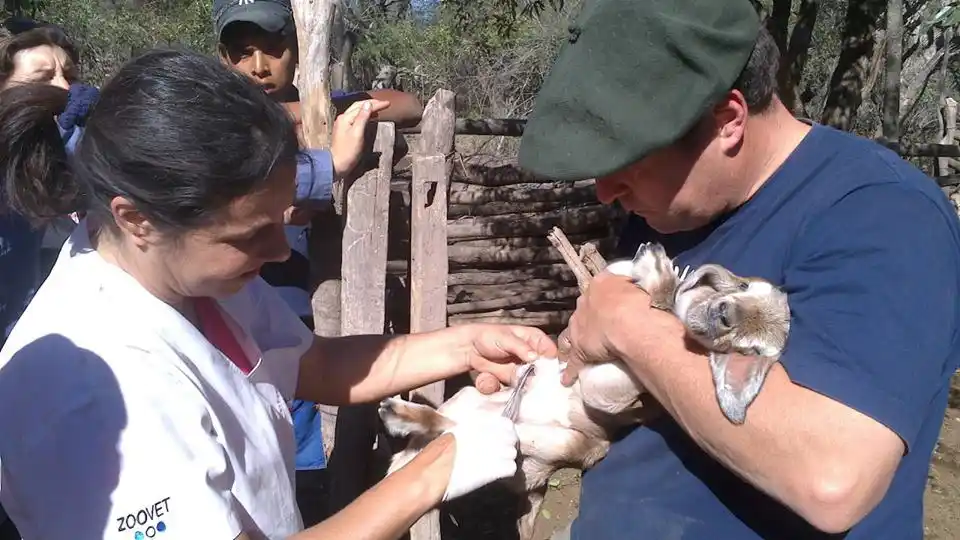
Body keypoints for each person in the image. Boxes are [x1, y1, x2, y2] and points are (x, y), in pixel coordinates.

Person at [0, 48, 554, 540]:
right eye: (249, 235)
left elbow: (316, 367)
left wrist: (465, 345)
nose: (280, 250)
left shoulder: (185, 277)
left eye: (278, 220)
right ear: (137, 218)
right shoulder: (88, 391)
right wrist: (434, 471)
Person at [516, 1, 960, 539]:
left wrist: (628, 327)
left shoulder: (882, 213)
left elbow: (833, 478)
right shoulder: (672, 207)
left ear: (728, 122)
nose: (604, 192)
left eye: (624, 162)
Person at [212, 0, 425, 524]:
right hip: (224, 318)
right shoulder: (211, 122)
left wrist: (316, 110)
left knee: (300, 440)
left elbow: (408, 104)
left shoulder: (320, 103)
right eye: (242, 53)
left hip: (293, 316)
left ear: (299, 49)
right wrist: (307, 126)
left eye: (272, 49)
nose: (258, 66)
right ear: (223, 60)